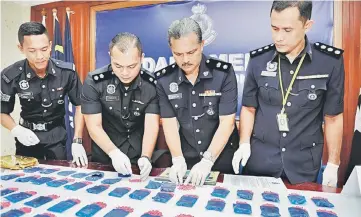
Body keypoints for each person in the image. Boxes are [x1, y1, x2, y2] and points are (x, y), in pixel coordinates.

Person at [232, 1, 344, 186]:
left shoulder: (330, 62)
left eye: (287, 30)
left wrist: (333, 163)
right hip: (260, 159)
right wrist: (243, 143)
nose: (279, 37)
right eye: (274, 28)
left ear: (307, 25)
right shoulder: (258, 60)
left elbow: (333, 117)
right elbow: (249, 107)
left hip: (303, 165)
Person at [155, 18, 239, 186]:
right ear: (171, 49)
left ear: (202, 45)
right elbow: (170, 123)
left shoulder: (223, 73)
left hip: (220, 158)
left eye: (191, 52)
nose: (185, 59)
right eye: (178, 54)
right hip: (187, 161)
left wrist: (208, 160)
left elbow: (227, 123)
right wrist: (177, 158)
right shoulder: (164, 79)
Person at [1, 22, 87, 166]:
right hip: (27, 137)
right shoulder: (11, 75)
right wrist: (15, 129)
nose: (40, 56)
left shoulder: (66, 73)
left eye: (44, 49)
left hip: (57, 136)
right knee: (26, 182)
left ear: (50, 45)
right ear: (21, 48)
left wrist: (77, 140)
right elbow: (2, 111)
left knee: (58, 180)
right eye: (32, 51)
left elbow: (80, 105)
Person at [81, 32, 159, 181]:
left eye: (131, 66)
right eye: (118, 65)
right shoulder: (94, 81)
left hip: (140, 157)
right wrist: (113, 153)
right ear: (110, 56)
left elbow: (151, 125)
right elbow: (94, 126)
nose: (125, 73)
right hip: (105, 156)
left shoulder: (151, 84)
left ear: (142, 58)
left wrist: (146, 156)